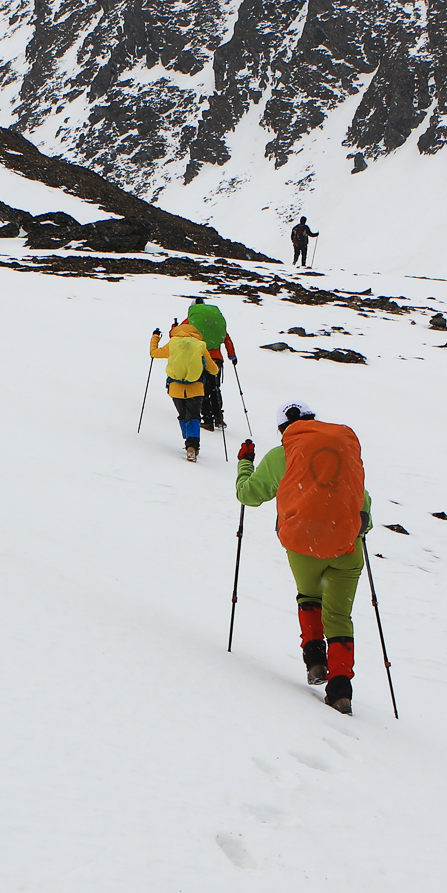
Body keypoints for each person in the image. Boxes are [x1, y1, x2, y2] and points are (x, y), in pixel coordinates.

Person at [235, 402, 371, 711]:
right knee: (339, 616)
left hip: (303, 545)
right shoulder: (340, 449)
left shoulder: (282, 455)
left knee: (309, 596)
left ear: (284, 428)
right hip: (346, 547)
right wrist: (361, 526)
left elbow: (248, 494)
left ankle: (314, 662)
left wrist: (245, 463)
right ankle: (340, 690)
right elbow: (362, 499)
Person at [147, 316, 217, 461]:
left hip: (175, 387)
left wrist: (155, 337)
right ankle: (192, 444)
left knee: (183, 416)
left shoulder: (173, 343)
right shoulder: (200, 345)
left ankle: (189, 438)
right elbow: (214, 370)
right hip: (196, 388)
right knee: (194, 416)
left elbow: (154, 353)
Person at [183, 295, 235, 431]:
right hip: (217, 360)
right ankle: (219, 417)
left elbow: (175, 334)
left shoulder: (191, 321)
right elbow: (226, 338)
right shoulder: (214, 323)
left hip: (201, 359)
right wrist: (232, 356)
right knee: (215, 387)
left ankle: (207, 419)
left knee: (203, 389)